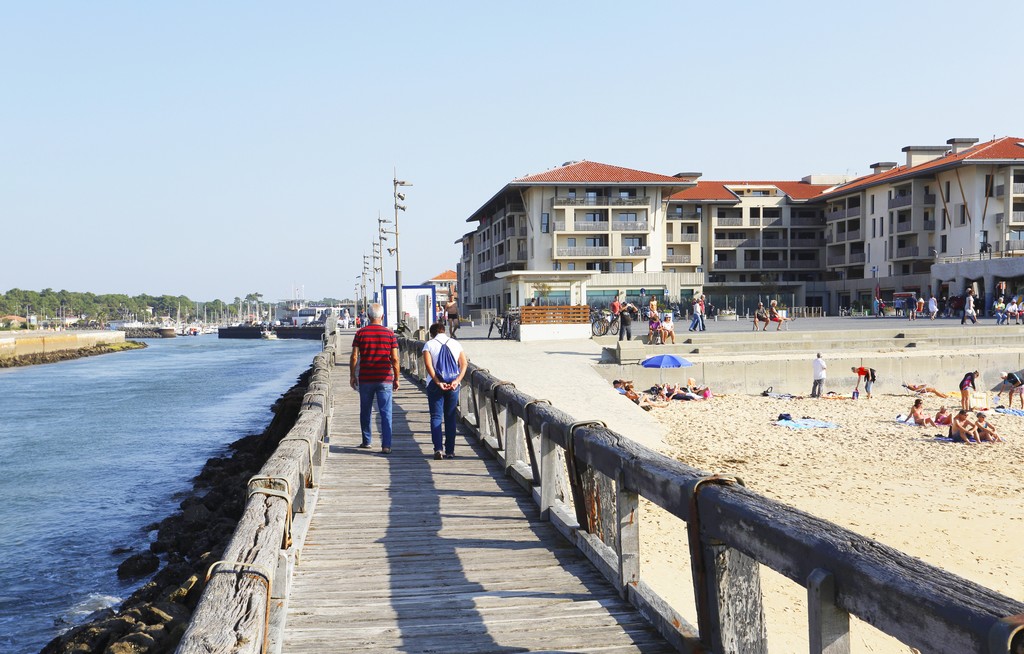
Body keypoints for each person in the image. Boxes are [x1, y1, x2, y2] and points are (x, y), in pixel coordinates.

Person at [350, 303, 400, 454]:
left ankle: (367, 441)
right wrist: (396, 378)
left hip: (366, 378)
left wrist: (352, 375)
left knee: (365, 411)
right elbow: (395, 359)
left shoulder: (360, 333)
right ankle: (386, 445)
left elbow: (354, 356)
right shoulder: (390, 334)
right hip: (385, 378)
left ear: (368, 316)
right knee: (386, 412)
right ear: (382, 316)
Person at [422, 322, 468, 460]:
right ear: (444, 331)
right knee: (450, 417)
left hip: (435, 385)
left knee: (436, 417)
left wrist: (437, 382)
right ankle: (450, 451)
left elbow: (428, 365)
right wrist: (457, 380)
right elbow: (464, 364)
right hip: (453, 384)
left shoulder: (429, 345)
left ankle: (438, 449)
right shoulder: (455, 344)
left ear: (432, 334)